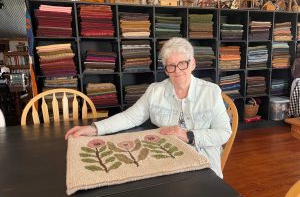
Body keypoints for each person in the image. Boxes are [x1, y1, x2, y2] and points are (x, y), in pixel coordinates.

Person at [65, 37, 232, 178]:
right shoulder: (155, 91)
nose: (177, 71)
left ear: (193, 63)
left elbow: (224, 132)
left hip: (203, 163)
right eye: (171, 66)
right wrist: (93, 129)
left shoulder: (211, 92)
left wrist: (187, 135)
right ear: (166, 69)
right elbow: (130, 117)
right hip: (166, 157)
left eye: (183, 64)